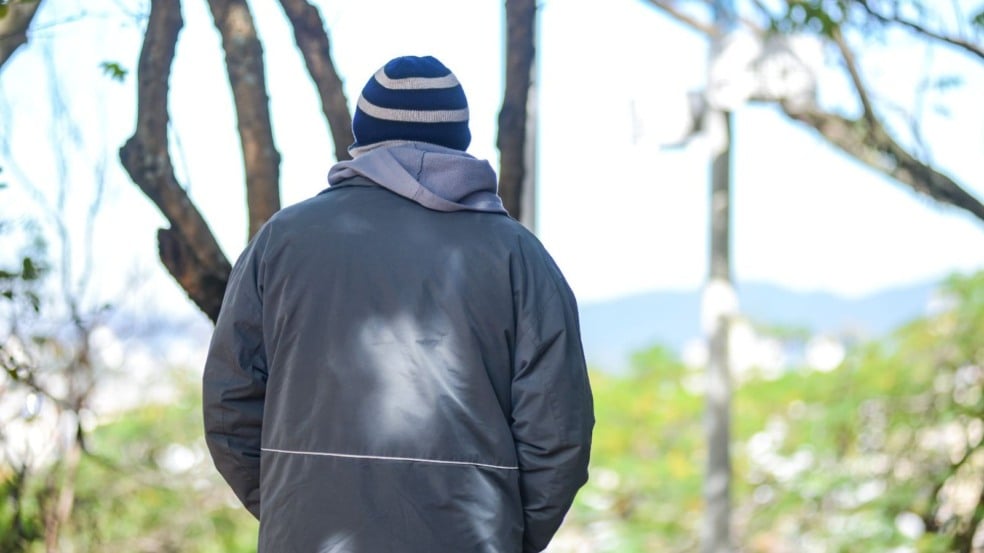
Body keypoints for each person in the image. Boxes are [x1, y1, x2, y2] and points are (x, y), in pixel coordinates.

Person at [202, 55, 594, 553]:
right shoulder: (517, 253)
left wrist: (293, 504)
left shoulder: (282, 240)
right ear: (461, 143)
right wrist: (507, 533)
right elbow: (558, 432)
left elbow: (229, 402)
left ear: (361, 140)